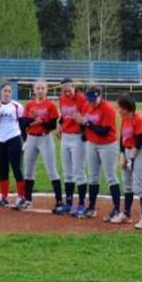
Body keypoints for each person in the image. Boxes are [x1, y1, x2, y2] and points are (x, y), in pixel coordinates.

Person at [75, 84, 120, 220]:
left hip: (108, 145)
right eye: (89, 99)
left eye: (94, 99)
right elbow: (83, 123)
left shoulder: (108, 109)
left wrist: (87, 123)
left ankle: (117, 209)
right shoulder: (87, 106)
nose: (91, 102)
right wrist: (82, 126)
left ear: (100, 96)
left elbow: (104, 131)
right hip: (92, 144)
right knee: (93, 176)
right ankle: (91, 208)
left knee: (110, 176)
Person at [23, 80, 63, 211]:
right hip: (31, 138)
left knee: (51, 170)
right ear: (34, 90)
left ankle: (59, 201)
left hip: (44, 138)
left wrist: (41, 123)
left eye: (42, 88)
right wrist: (29, 119)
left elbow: (52, 125)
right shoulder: (30, 104)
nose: (40, 91)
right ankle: (28, 200)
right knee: (28, 170)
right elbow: (23, 124)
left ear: (46, 90)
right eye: (38, 88)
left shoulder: (50, 105)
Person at [114, 95, 142, 229]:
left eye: (120, 107)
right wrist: (122, 155)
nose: (118, 110)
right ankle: (126, 214)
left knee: (139, 184)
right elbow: (122, 137)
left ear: (126, 108)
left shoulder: (138, 120)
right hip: (128, 151)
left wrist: (132, 159)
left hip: (138, 152)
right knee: (127, 185)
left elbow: (139, 140)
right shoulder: (125, 119)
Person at [0, 82, 27, 209]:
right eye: (5, 91)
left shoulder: (17, 106)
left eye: (9, 91)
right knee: (2, 170)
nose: (7, 93)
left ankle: (21, 197)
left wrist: (25, 139)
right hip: (0, 140)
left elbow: (22, 124)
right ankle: (4, 197)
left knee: (17, 168)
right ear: (0, 92)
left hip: (14, 139)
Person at [55, 78, 89, 215]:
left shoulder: (82, 99)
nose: (67, 94)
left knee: (79, 171)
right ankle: (68, 203)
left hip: (78, 137)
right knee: (67, 172)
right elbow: (63, 115)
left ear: (74, 87)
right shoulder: (62, 99)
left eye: (69, 91)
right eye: (64, 91)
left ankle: (81, 204)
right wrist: (59, 125)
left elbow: (87, 117)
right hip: (66, 136)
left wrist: (83, 126)